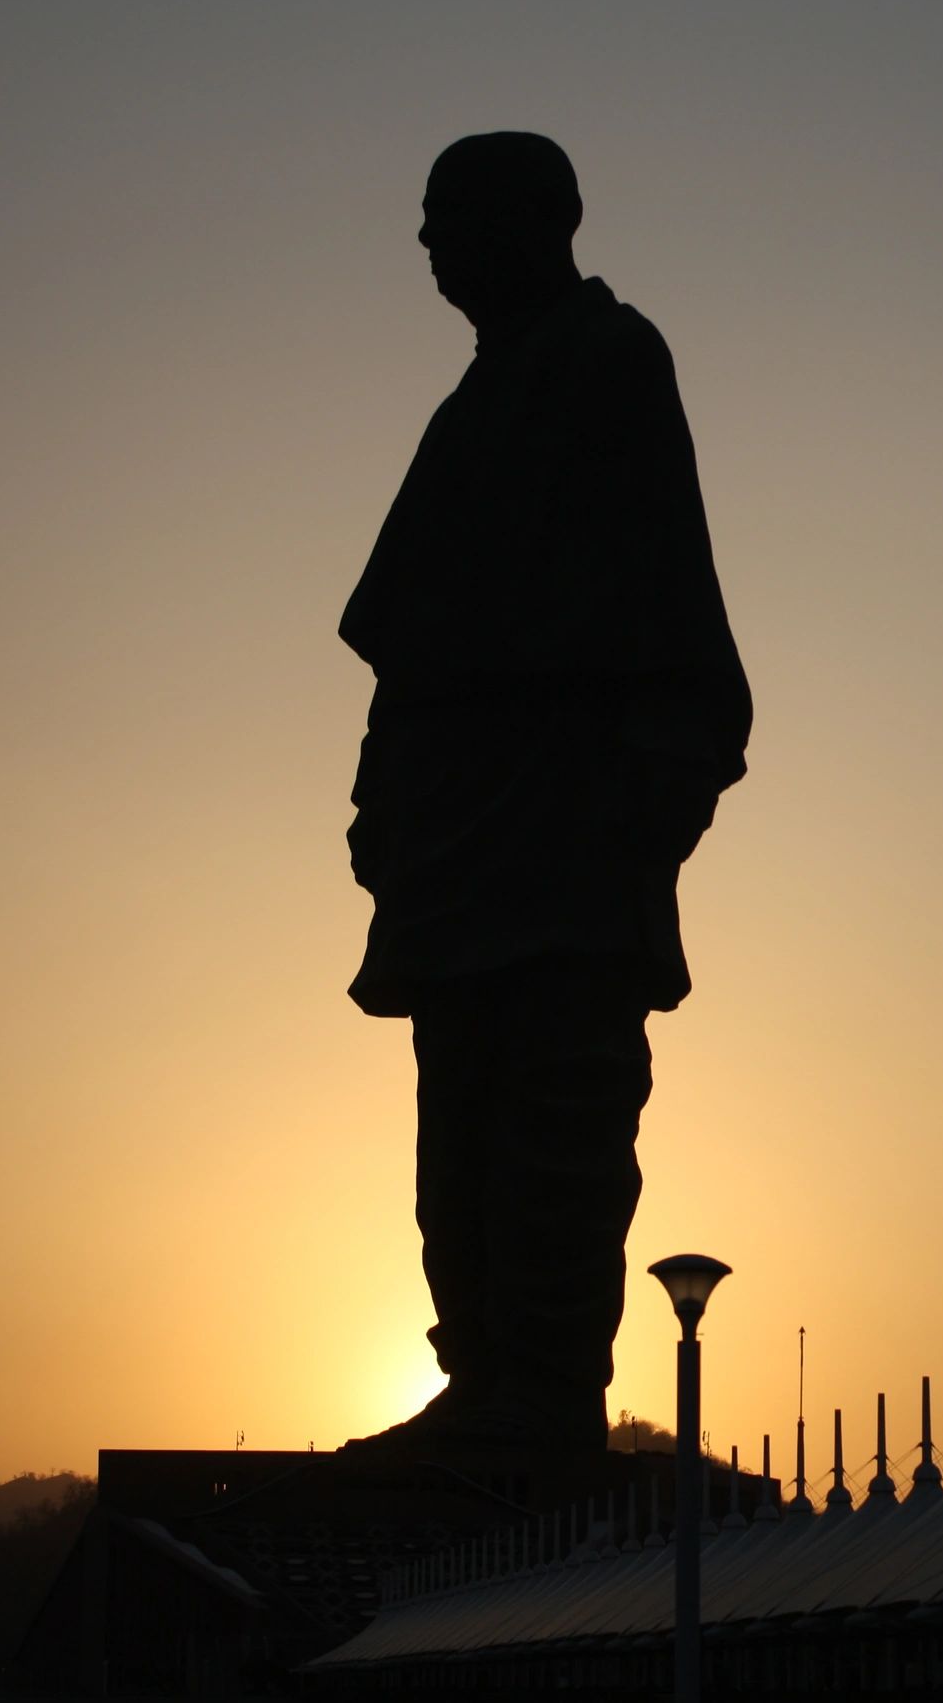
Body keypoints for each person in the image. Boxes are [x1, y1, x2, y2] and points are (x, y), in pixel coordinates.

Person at [338, 133, 750, 1451]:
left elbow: (664, 592)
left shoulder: (608, 363)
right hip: (463, 826)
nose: (426, 245)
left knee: (557, 1114)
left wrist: (652, 788)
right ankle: (485, 1380)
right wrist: (383, 791)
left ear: (529, 220)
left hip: (567, 809)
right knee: (456, 1129)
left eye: (445, 216)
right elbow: (409, 639)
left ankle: (547, 1396)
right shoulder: (473, 405)